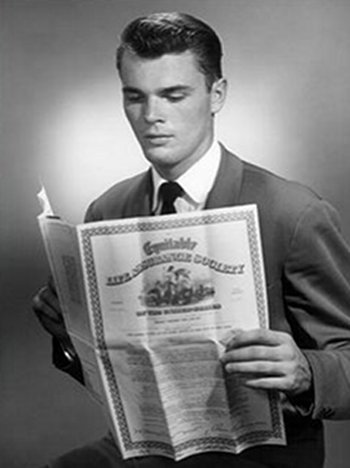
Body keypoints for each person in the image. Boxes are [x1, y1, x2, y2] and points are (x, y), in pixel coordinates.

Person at [32, 11, 350, 468]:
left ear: (216, 94)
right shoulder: (108, 211)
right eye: (135, 97)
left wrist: (305, 371)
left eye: (173, 95)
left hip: (259, 453)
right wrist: (69, 332)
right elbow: (113, 377)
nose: (152, 116)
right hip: (150, 451)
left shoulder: (293, 213)